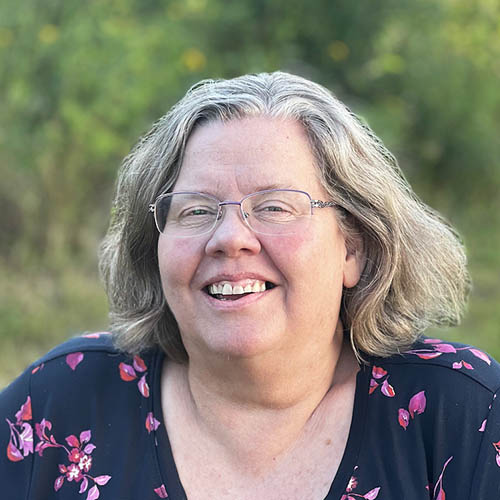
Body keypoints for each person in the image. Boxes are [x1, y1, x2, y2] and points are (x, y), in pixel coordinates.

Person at [1, 71, 499, 500]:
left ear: (354, 249)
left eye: (274, 207)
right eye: (196, 210)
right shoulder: (56, 406)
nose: (230, 238)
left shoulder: (465, 415)